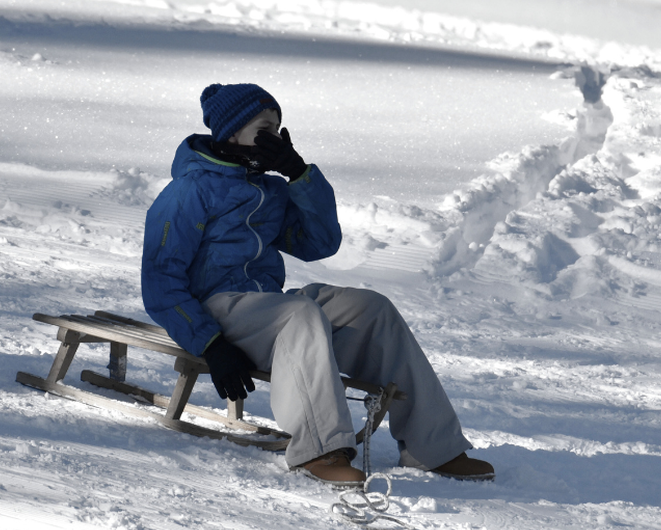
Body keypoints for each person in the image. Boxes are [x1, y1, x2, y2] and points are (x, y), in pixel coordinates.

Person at [141, 82, 494, 486]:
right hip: (215, 308)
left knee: (371, 308)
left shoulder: (269, 189)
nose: (273, 137)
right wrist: (210, 344)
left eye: (277, 128)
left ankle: (434, 447)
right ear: (231, 132)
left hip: (267, 308)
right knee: (300, 313)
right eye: (263, 128)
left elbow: (319, 243)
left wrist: (298, 174)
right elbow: (160, 281)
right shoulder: (189, 191)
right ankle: (321, 449)